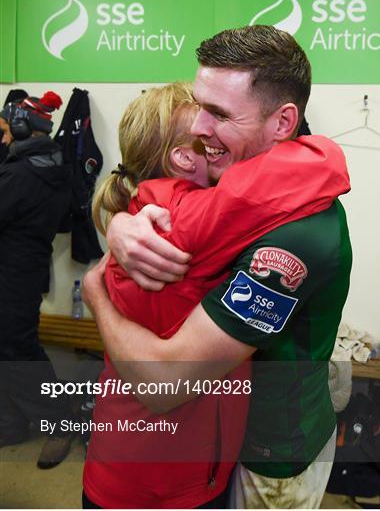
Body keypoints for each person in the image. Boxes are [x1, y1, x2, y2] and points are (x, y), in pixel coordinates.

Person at [84, 25, 352, 508]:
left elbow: (164, 384)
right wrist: (123, 228)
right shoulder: (224, 191)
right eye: (200, 108)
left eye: (220, 114)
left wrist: (95, 287)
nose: (202, 129)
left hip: (269, 453)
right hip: (208, 449)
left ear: (282, 122)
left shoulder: (297, 233)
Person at [0, 92, 75, 468]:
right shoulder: (53, 165)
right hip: (26, 268)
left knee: (17, 349)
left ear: (19, 127)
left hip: (12, 272)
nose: (2, 139)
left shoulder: (19, 173)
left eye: (4, 131)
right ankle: (10, 425)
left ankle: (60, 422)